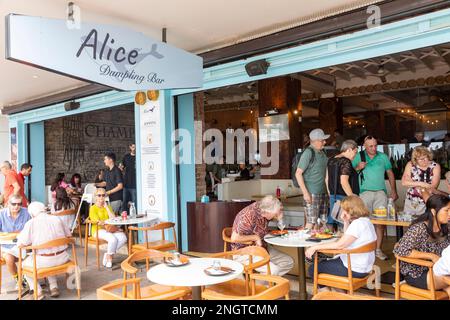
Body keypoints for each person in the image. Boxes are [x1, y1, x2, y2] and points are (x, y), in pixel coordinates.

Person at [305, 196, 377, 285]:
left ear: (350, 210)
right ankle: (338, 294)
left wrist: (315, 247)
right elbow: (347, 239)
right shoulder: (366, 221)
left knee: (313, 269)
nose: (342, 212)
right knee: (325, 263)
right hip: (365, 267)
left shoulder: (357, 224)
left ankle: (331, 295)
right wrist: (346, 221)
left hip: (354, 269)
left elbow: (340, 245)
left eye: (344, 210)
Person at [352, 136, 398, 261]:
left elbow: (390, 173)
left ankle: (378, 250)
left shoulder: (382, 156)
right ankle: (363, 249)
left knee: (380, 223)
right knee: (363, 222)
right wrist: (357, 168)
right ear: (365, 146)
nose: (373, 148)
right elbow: (348, 173)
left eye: (375, 145)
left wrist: (393, 190)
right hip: (364, 193)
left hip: (380, 193)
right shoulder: (358, 156)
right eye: (370, 146)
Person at [393, 195, 450, 290]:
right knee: (447, 280)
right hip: (417, 273)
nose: (449, 214)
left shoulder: (446, 227)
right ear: (433, 211)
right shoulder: (419, 228)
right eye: (446, 210)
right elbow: (400, 250)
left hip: (437, 269)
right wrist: (431, 256)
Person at [17, 201, 72, 299]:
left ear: (32, 214)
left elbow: (21, 244)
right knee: (47, 255)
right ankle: (54, 287)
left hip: (45, 261)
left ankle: (38, 291)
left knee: (22, 265)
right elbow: (69, 236)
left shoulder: (31, 223)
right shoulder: (57, 218)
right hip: (63, 258)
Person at [230, 195, 294, 276]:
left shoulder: (266, 206)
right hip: (244, 252)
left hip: (262, 248)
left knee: (288, 262)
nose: (275, 217)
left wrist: (280, 218)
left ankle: (261, 285)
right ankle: (263, 286)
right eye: (274, 215)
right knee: (273, 270)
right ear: (265, 212)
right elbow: (234, 238)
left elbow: (280, 227)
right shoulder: (248, 215)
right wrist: (255, 237)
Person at [295, 128, 329, 230]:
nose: (325, 142)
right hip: (311, 193)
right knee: (311, 223)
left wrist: (328, 192)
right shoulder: (308, 153)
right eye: (323, 140)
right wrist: (305, 193)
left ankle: (316, 246)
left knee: (321, 223)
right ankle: (307, 245)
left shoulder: (323, 153)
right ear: (316, 141)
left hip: (323, 192)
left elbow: (326, 174)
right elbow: (298, 173)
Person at [89, 188, 127, 268]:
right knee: (113, 239)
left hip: (109, 229)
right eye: (99, 195)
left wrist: (106, 208)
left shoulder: (108, 206)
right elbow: (99, 222)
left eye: (103, 195)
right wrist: (108, 223)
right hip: (98, 230)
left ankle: (108, 254)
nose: (101, 197)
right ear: (95, 197)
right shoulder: (93, 208)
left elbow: (113, 218)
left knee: (123, 237)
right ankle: (109, 259)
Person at [326, 140, 360, 226]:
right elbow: (344, 181)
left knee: (332, 222)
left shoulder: (331, 160)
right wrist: (352, 196)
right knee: (344, 223)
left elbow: (326, 179)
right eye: (355, 152)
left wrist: (330, 193)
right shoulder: (346, 161)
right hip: (345, 198)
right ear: (349, 150)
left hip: (333, 196)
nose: (355, 155)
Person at [0, 195, 30, 290]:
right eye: (13, 204)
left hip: (23, 244)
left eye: (19, 204)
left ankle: (27, 277)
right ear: (8, 204)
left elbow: (30, 230)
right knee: (9, 259)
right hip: (6, 245)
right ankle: (18, 279)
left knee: (28, 257)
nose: (16, 206)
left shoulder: (26, 212)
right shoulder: (1, 214)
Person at [401, 146, 441, 217]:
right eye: (420, 159)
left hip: (427, 202)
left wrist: (412, 183)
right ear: (415, 159)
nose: (424, 160)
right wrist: (421, 184)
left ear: (428, 156)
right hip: (410, 201)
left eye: (425, 157)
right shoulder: (410, 164)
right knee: (409, 225)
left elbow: (433, 186)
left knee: (426, 224)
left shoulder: (435, 166)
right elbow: (404, 182)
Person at [121, 143, 137, 213]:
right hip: (126, 184)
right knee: (124, 202)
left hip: (135, 184)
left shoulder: (139, 157)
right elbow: (122, 167)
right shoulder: (126, 157)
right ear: (130, 147)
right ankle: (124, 219)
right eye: (133, 147)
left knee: (135, 203)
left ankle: (135, 219)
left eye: (135, 147)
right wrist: (120, 168)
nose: (134, 148)